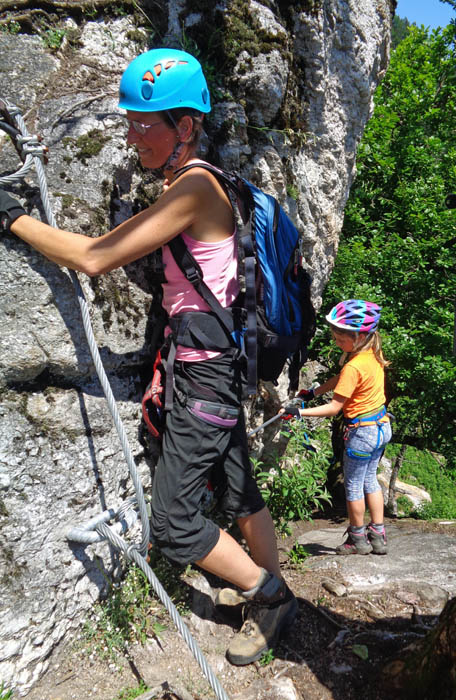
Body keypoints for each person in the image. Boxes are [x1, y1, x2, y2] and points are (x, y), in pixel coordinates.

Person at [0, 48, 297, 666]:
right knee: (239, 487)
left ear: (185, 126)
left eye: (145, 123)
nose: (133, 134)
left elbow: (93, 256)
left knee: (172, 521)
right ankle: (270, 588)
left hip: (205, 372)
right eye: (129, 121)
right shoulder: (194, 179)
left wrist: (15, 219)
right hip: (213, 363)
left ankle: (266, 595)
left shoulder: (194, 187)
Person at [282, 299, 391, 555]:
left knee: (353, 486)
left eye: (340, 337)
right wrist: (312, 392)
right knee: (370, 481)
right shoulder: (370, 355)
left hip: (361, 433)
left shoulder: (354, 365)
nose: (335, 340)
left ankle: (357, 540)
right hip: (380, 427)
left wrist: (298, 411)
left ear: (359, 336)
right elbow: (340, 379)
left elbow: (334, 408)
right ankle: (378, 535)